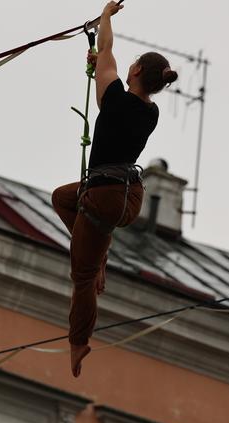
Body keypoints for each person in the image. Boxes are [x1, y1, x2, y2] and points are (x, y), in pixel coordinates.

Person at [51, 1, 178, 377]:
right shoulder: (149, 112)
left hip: (105, 195)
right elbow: (105, 64)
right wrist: (100, 62)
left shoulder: (116, 98)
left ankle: (78, 342)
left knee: (83, 277)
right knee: (62, 198)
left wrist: (105, 17)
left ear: (135, 70)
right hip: (128, 196)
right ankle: (97, 253)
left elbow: (106, 52)